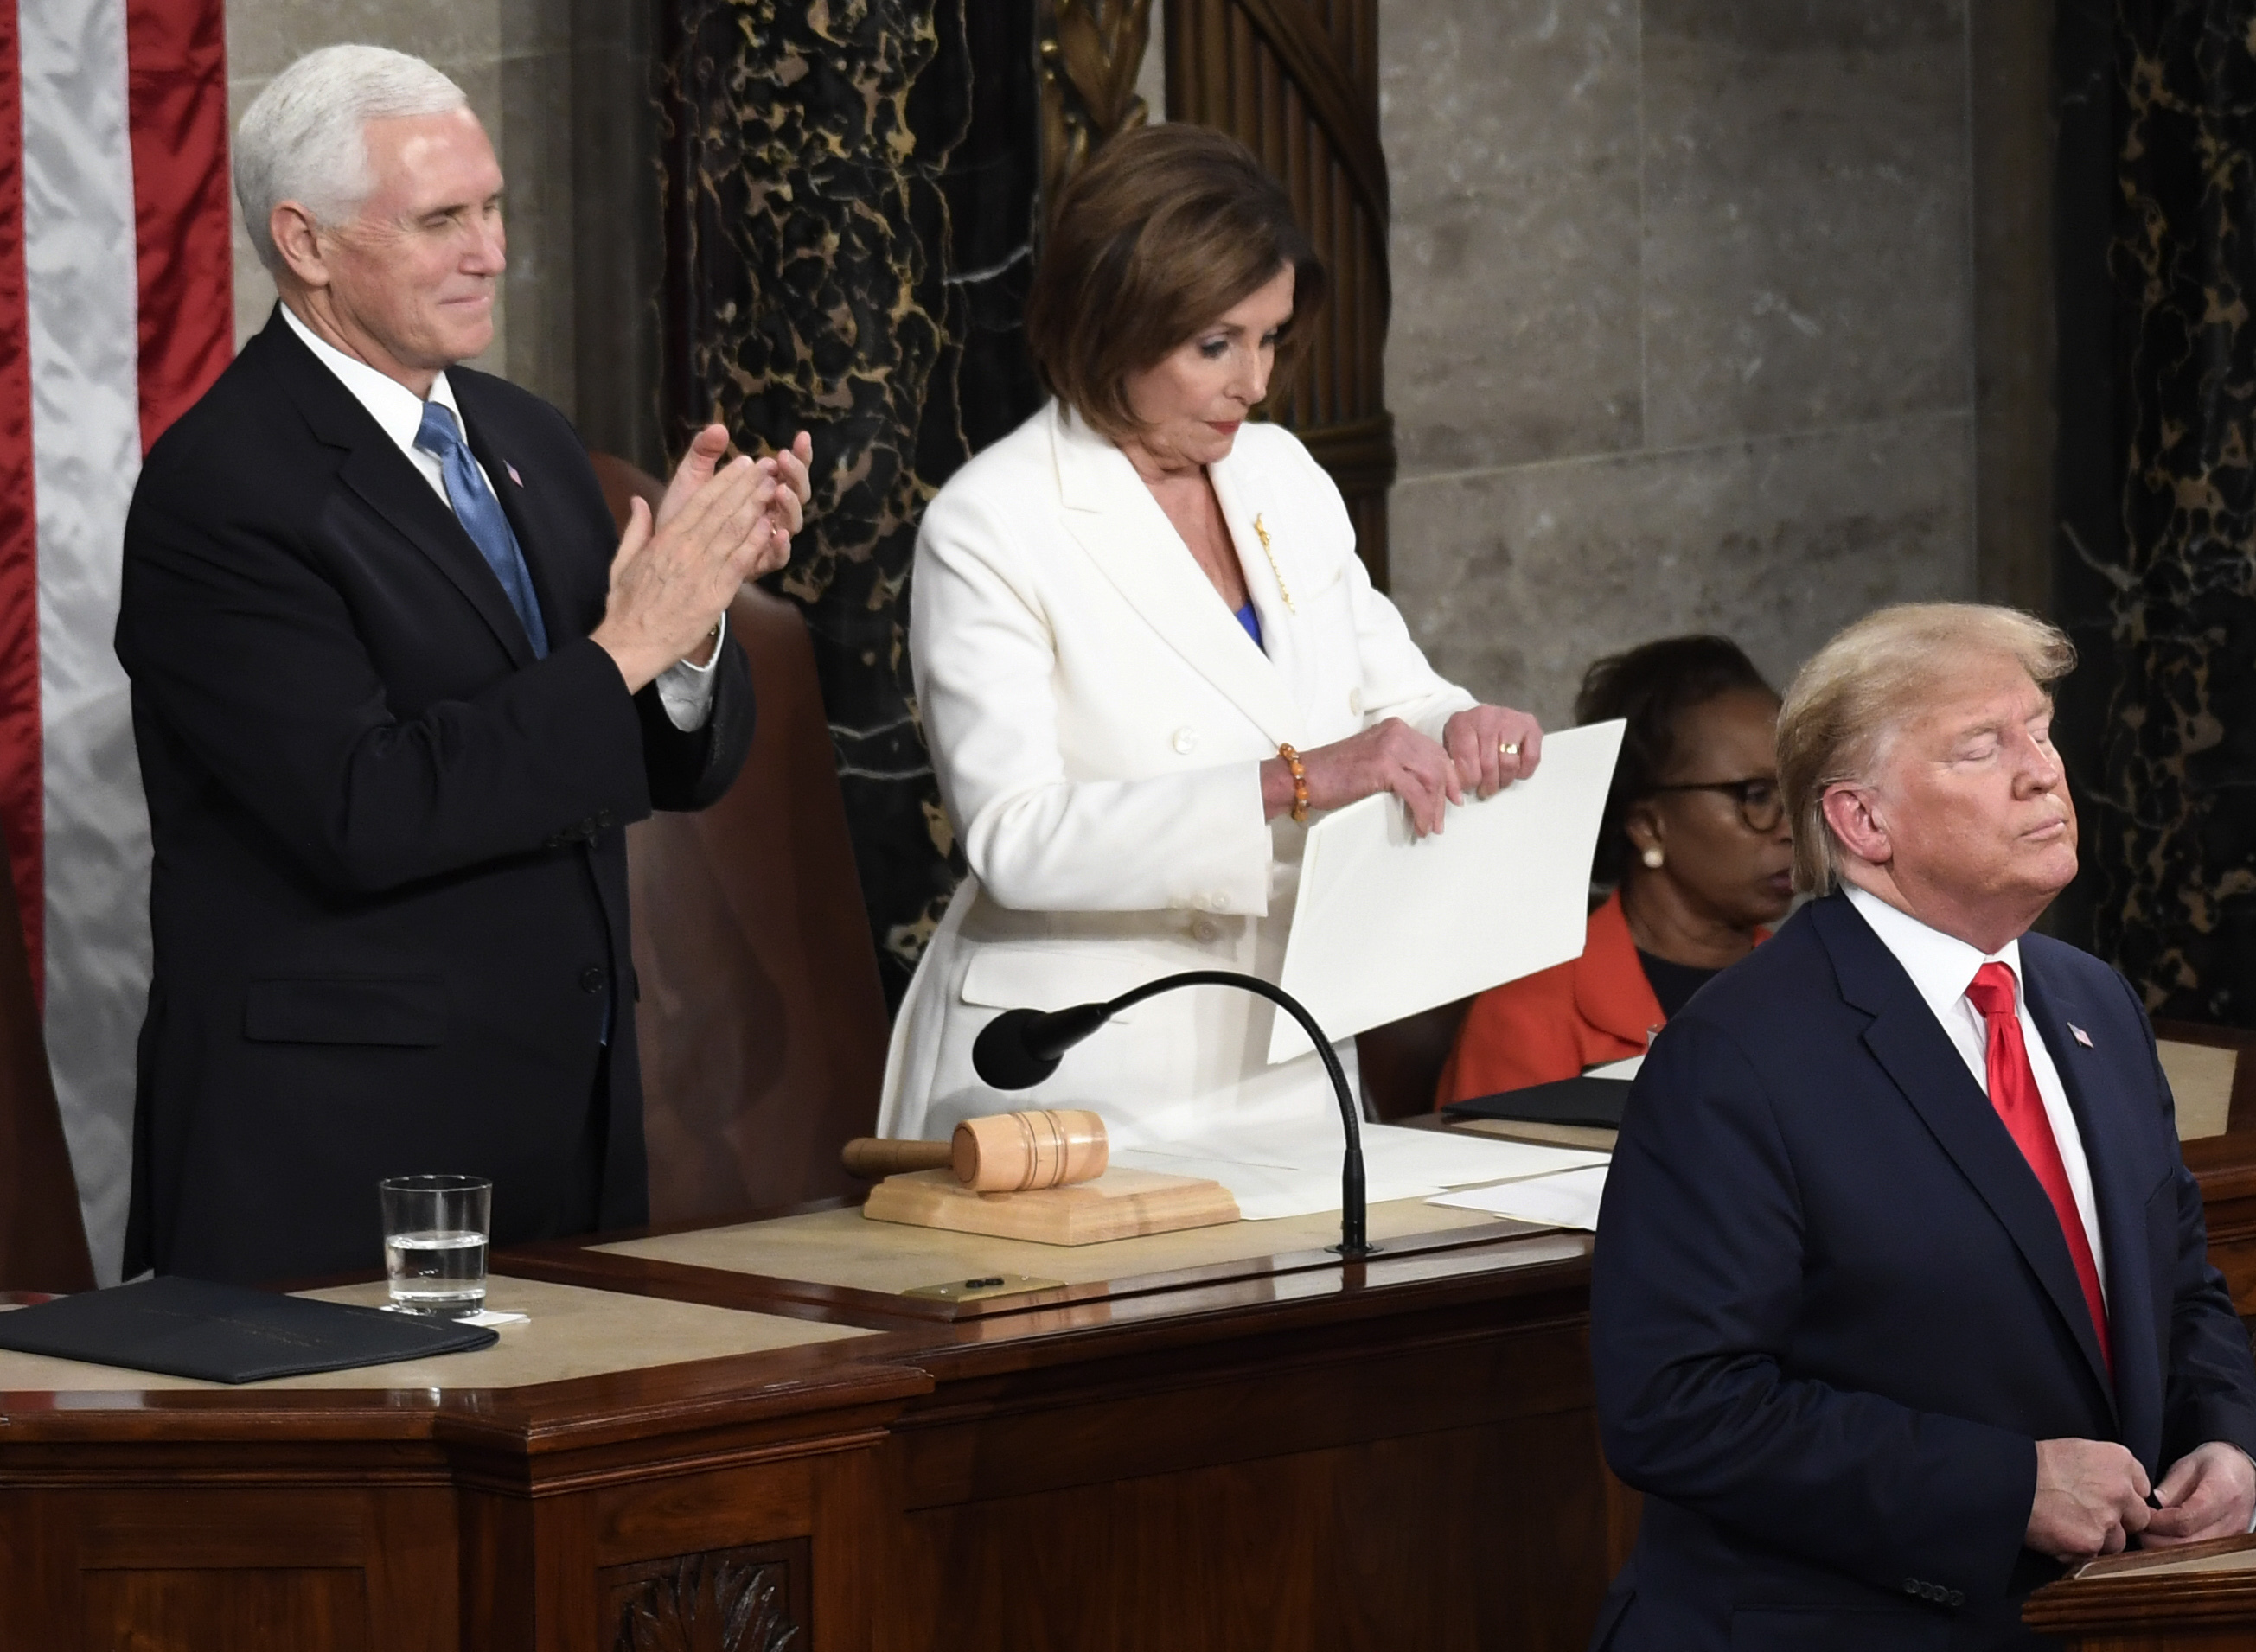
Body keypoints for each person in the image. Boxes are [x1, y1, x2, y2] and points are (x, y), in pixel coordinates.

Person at [117, 46, 810, 1285]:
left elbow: (651, 756)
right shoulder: (220, 489)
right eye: (442, 220)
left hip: (563, 1135)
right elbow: (364, 806)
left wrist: (694, 619)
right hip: (337, 1166)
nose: (491, 251)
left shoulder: (524, 435)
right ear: (307, 242)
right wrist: (631, 640)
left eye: (492, 208)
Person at [1589, 603, 2256, 1650]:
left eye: (2039, 730)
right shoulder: (1736, 1054)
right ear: (1863, 823)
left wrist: (2229, 1449)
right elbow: (1678, 1404)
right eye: (1980, 748)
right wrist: (2002, 1488)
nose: (2041, 771)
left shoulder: (2092, 1003)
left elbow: (2180, 1289)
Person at [878, 124, 1542, 1148]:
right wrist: (1291, 781)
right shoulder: (992, 519)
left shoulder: (1281, 475)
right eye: (1214, 346)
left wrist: (1460, 724)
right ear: (1111, 322)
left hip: (1287, 1035)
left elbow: (1387, 699)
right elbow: (1014, 838)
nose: (1255, 383)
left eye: (1269, 337)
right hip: (1082, 1065)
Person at [1434, 635, 1792, 1105]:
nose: (1790, 828)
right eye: (1757, 796)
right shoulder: (1529, 1015)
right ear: (1647, 826)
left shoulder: (1815, 988)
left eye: (1797, 791)